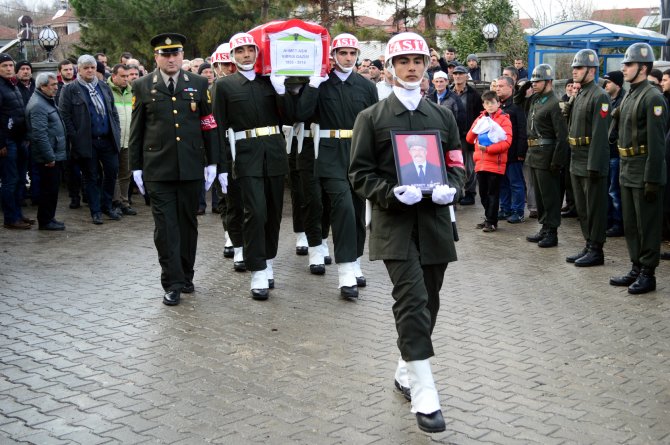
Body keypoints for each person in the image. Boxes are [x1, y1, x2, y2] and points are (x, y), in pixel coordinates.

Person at [349, 31, 465, 434]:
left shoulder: (443, 117)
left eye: (418, 61)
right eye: (403, 62)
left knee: (429, 300)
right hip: (393, 226)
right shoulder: (372, 118)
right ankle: (425, 390)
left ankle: (405, 368)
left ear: (427, 65)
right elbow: (359, 174)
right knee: (412, 298)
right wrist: (390, 192)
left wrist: (455, 186)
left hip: (434, 224)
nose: (412, 68)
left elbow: (456, 163)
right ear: (391, 68)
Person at [129, 33, 220, 306]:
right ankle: (172, 281)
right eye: (165, 54)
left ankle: (187, 275)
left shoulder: (198, 83)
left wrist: (213, 161)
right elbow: (137, 130)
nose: (171, 59)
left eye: (175, 53)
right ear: (156, 57)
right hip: (158, 169)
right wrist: (136, 167)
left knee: (187, 224)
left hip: (191, 167)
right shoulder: (143, 85)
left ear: (182, 55)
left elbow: (208, 124)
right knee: (166, 229)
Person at [295, 33, 378, 299]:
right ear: (333, 55)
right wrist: (313, 86)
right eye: (342, 53)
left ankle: (355, 261)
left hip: (357, 153)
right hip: (328, 153)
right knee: (341, 207)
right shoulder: (321, 82)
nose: (348, 58)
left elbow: (374, 123)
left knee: (356, 210)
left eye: (352, 54)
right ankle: (344, 273)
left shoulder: (365, 86)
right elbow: (300, 114)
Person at [212, 32, 290, 300]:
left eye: (250, 50)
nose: (246, 55)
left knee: (274, 212)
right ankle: (257, 269)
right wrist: (221, 164)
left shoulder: (269, 82)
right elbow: (218, 127)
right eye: (241, 51)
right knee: (255, 211)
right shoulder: (224, 86)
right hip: (245, 154)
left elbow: (290, 115)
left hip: (275, 152)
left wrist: (282, 92)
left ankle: (268, 261)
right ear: (233, 56)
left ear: (257, 53)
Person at [609, 43, 667, 294]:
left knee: (647, 225)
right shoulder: (632, 93)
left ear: (642, 68)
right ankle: (635, 267)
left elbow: (657, 144)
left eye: (628, 64)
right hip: (627, 166)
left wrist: (653, 179)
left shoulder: (653, 97)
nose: (623, 68)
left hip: (644, 169)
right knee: (631, 224)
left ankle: (648, 273)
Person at [59, 54, 121, 225]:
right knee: (91, 177)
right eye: (86, 67)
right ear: (79, 69)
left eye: (92, 67)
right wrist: (76, 137)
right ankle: (95, 211)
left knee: (111, 172)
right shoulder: (70, 89)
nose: (90, 70)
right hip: (87, 141)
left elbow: (112, 111)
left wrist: (116, 129)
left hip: (107, 139)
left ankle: (106, 206)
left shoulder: (103, 86)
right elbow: (65, 115)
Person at [565, 49, 611, 267]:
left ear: (591, 70)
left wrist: (594, 164)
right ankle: (588, 243)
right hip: (577, 157)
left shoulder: (599, 95)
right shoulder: (581, 93)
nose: (575, 71)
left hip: (590, 159)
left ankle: (596, 249)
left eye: (579, 68)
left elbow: (601, 135)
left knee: (594, 207)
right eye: (574, 68)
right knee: (582, 207)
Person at [516, 64, 569, 247]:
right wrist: (523, 88)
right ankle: (544, 228)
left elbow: (562, 136)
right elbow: (518, 102)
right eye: (533, 81)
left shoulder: (555, 103)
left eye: (538, 81)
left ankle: (552, 232)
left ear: (549, 82)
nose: (535, 84)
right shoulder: (536, 100)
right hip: (534, 154)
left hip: (547, 156)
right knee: (540, 196)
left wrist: (557, 161)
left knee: (550, 196)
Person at [466, 90, 512, 232]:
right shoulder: (480, 119)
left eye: (492, 103)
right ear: (483, 105)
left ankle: (491, 221)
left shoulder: (504, 119)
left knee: (493, 193)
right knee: (484, 194)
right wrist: (477, 127)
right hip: (481, 163)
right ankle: (489, 218)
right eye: (487, 103)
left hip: (495, 163)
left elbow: (507, 142)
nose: (490, 106)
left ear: (498, 103)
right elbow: (469, 138)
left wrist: (488, 149)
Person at [26, 72, 66, 230]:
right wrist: (49, 157)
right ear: (42, 87)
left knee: (52, 189)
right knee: (48, 189)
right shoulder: (38, 105)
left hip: (54, 152)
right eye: (53, 85)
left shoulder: (45, 101)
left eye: (56, 84)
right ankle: (45, 220)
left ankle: (50, 217)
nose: (56, 88)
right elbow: (39, 134)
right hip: (48, 156)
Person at [0, 53, 31, 229]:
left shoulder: (14, 86)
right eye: (4, 66)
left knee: (20, 179)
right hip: (7, 142)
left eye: (11, 65)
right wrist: (1, 143)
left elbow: (21, 113)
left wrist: (26, 136)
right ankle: (10, 218)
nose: (9, 69)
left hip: (20, 139)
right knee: (10, 181)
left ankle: (18, 214)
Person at [496, 75, 528, 223]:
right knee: (502, 183)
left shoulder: (516, 106)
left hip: (514, 152)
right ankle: (505, 208)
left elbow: (522, 130)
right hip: (500, 153)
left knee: (515, 183)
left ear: (510, 87)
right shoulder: (497, 107)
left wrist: (521, 152)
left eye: (501, 86)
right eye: (497, 86)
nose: (498, 88)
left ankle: (518, 211)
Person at [108, 63, 137, 216]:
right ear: (114, 77)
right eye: (123, 76)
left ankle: (125, 201)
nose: (127, 79)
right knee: (113, 173)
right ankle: (115, 202)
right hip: (113, 140)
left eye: (128, 76)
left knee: (126, 173)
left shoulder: (132, 91)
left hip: (129, 140)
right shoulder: (106, 90)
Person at [452, 65, 483, 205]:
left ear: (466, 76)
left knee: (469, 167)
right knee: (453, 165)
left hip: (467, 136)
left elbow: (479, 116)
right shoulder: (448, 92)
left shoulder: (474, 95)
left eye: (460, 74)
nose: (457, 76)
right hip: (452, 135)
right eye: (455, 74)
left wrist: (474, 134)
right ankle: (457, 192)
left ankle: (470, 193)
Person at [602, 70, 626, 237]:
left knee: (614, 190)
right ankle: (609, 219)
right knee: (607, 189)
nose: (606, 85)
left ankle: (618, 223)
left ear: (617, 84)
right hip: (607, 152)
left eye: (608, 82)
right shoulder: (608, 100)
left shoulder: (623, 100)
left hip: (616, 152)